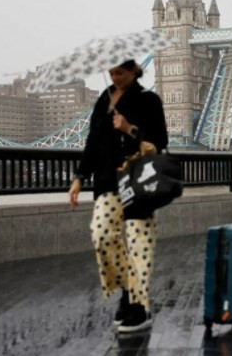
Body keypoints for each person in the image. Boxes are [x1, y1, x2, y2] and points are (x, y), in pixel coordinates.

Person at [68, 59, 168, 333]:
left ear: (134, 71)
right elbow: (92, 141)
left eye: (120, 73)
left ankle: (139, 306)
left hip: (138, 181)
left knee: (139, 244)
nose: (115, 77)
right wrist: (79, 177)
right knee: (102, 236)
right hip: (106, 180)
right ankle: (126, 290)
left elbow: (160, 141)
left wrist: (129, 128)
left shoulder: (149, 100)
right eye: (111, 72)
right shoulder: (104, 99)